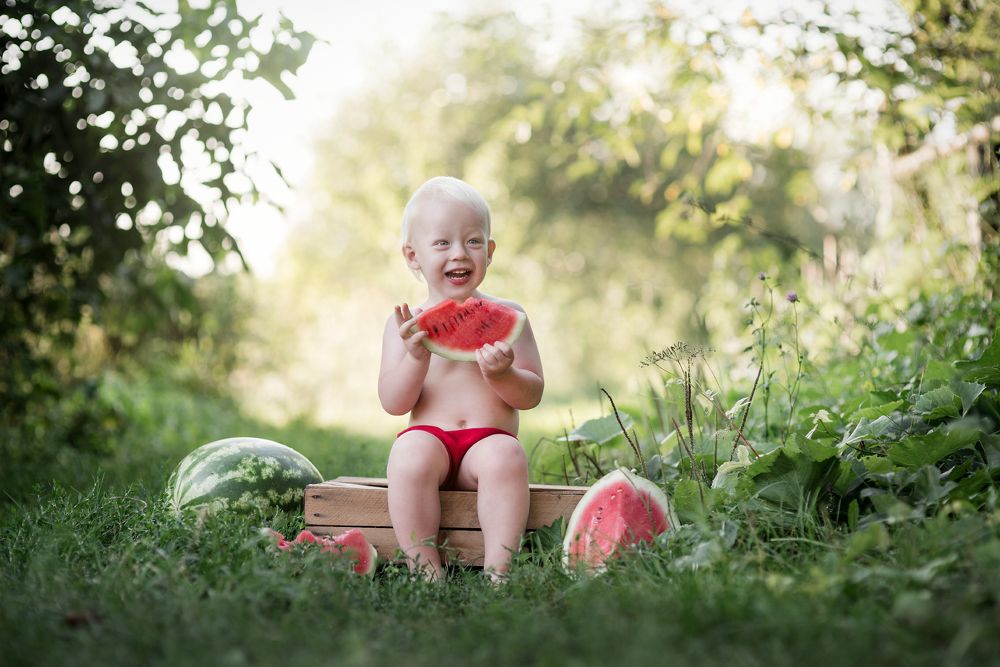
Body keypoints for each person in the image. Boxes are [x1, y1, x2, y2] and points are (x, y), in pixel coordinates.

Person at [378, 176, 544, 582]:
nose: (460, 253)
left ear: (489, 251)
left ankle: (499, 571)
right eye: (442, 243)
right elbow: (394, 403)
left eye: (473, 241)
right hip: (430, 443)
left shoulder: (511, 316)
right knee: (407, 455)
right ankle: (425, 570)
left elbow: (532, 393)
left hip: (486, 445)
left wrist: (503, 375)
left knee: (508, 456)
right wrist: (416, 358)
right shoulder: (405, 325)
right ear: (412, 256)